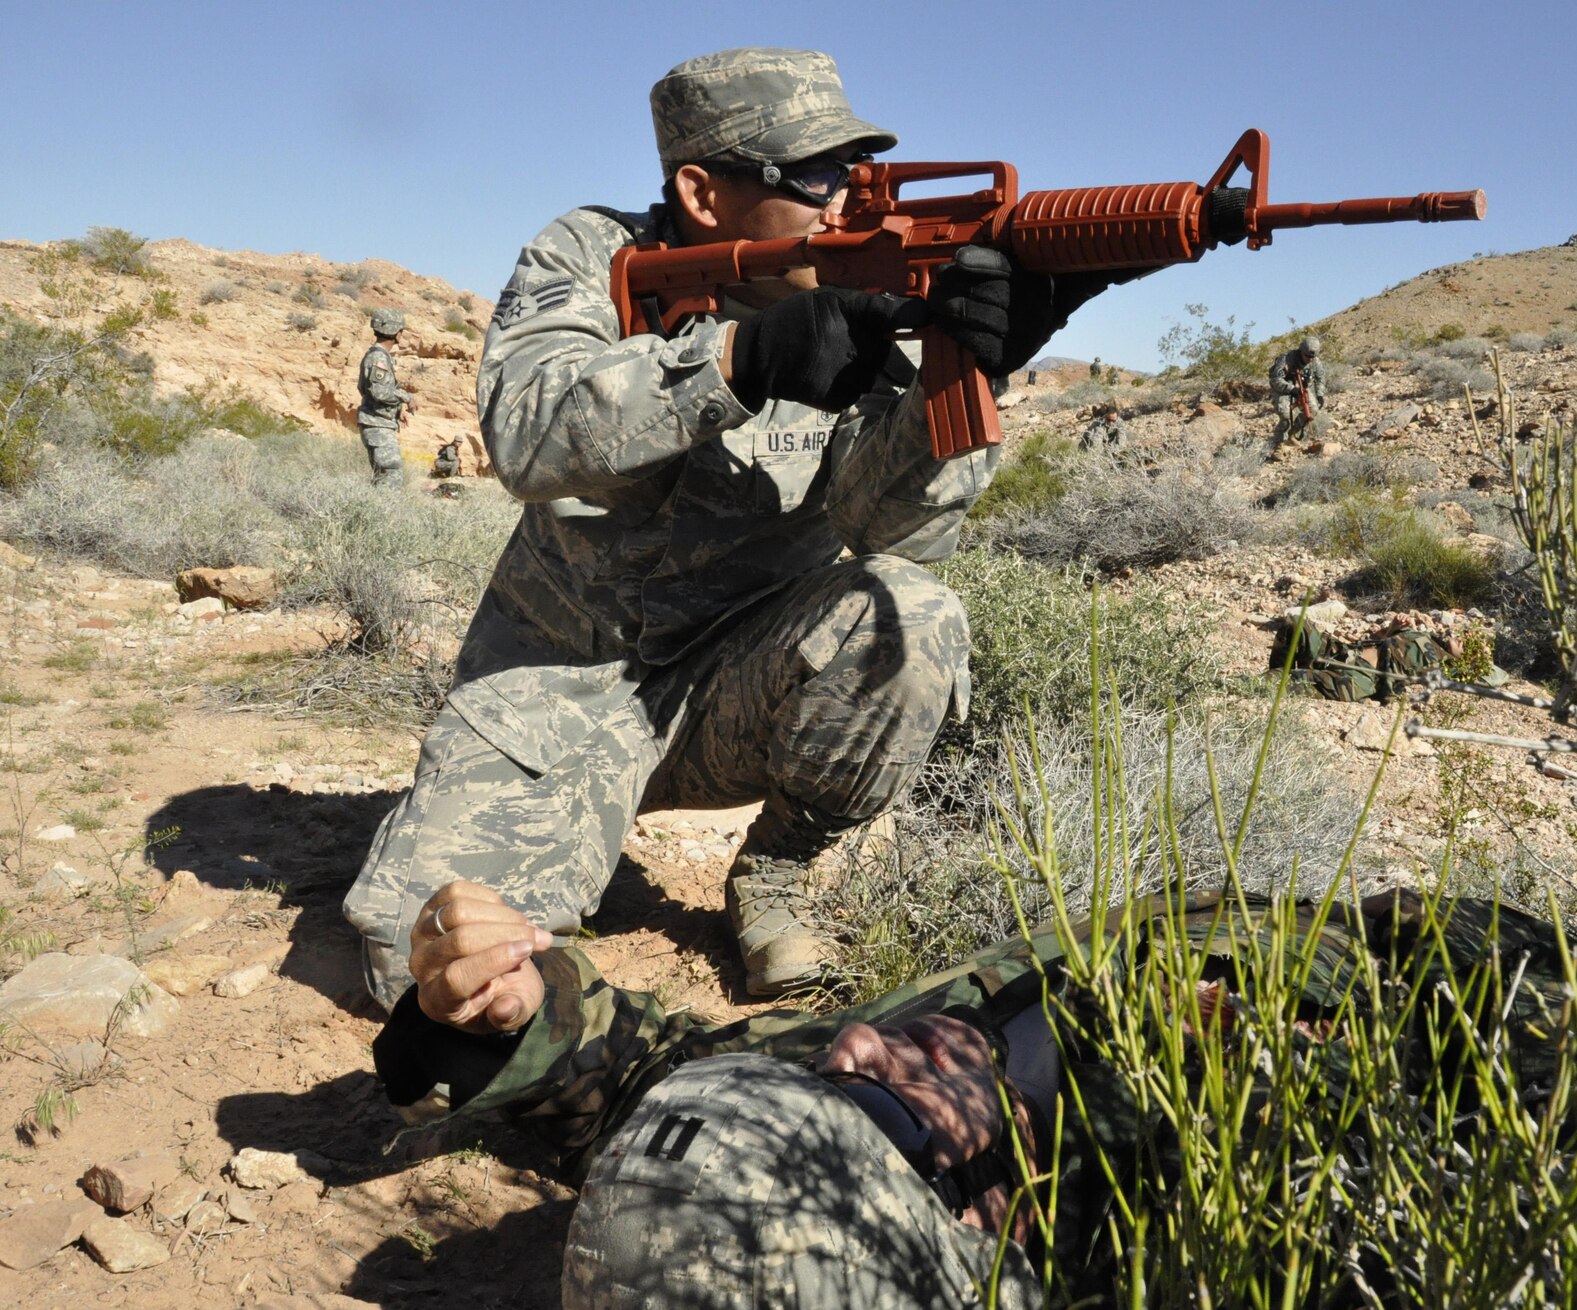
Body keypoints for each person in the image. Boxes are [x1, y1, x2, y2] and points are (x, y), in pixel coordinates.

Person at [342, 48, 1115, 1006]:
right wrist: (740, 361)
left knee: (909, 616)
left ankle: (775, 874)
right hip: (553, 687)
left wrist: (964, 375)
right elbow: (527, 437)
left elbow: (892, 532)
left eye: (858, 170)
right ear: (704, 194)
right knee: (426, 976)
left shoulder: (863, 300)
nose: (848, 197)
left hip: (733, 690)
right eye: (820, 174)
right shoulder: (588, 253)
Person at [375, 876, 1577, 1310]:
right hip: (803, 1161)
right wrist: (502, 1003)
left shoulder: (1425, 1086)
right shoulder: (969, 1009)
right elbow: (669, 1079)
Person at [357, 309, 414, 485]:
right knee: (391, 475)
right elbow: (379, 392)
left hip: (378, 423)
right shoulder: (378, 358)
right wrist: (406, 397)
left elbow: (369, 389)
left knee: (382, 476)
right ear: (397, 333)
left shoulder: (379, 356)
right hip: (377, 424)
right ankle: (385, 512)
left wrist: (397, 409)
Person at [1268, 334, 1327, 443]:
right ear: (1301, 351)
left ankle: (1292, 434)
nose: (1310, 359)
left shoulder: (1315, 362)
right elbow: (1275, 379)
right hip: (1283, 388)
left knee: (1312, 411)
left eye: (1312, 357)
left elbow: (1320, 377)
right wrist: (1291, 389)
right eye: (1307, 356)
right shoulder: (1286, 359)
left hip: (1302, 388)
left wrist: (1320, 393)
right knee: (1285, 418)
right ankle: (1276, 443)